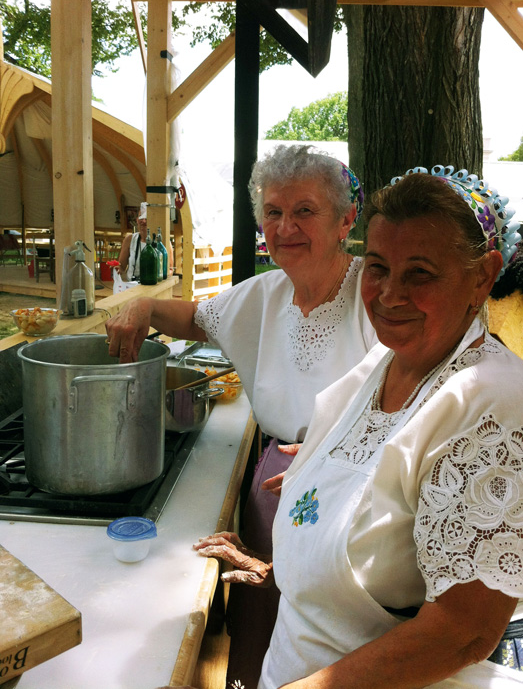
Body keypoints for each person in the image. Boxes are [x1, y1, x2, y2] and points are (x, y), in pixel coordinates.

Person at [195, 165, 523, 688]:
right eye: (377, 267)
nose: (390, 295)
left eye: (420, 273)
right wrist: (288, 565)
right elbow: (379, 530)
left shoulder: (490, 404)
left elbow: (463, 631)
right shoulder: (384, 362)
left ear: (482, 275)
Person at [105, 144, 377, 687]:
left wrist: (341, 450)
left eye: (305, 210)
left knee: (331, 640)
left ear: (346, 219)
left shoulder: (375, 291)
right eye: (273, 212)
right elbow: (196, 318)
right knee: (262, 621)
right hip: (274, 482)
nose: (286, 227)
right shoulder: (266, 292)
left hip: (356, 484)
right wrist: (142, 303)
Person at [118, 203, 174, 281]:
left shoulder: (163, 242)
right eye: (141, 217)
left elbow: (170, 269)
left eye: (146, 218)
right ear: (137, 220)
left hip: (153, 285)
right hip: (132, 286)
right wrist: (117, 269)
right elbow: (122, 266)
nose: (143, 221)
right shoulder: (129, 240)